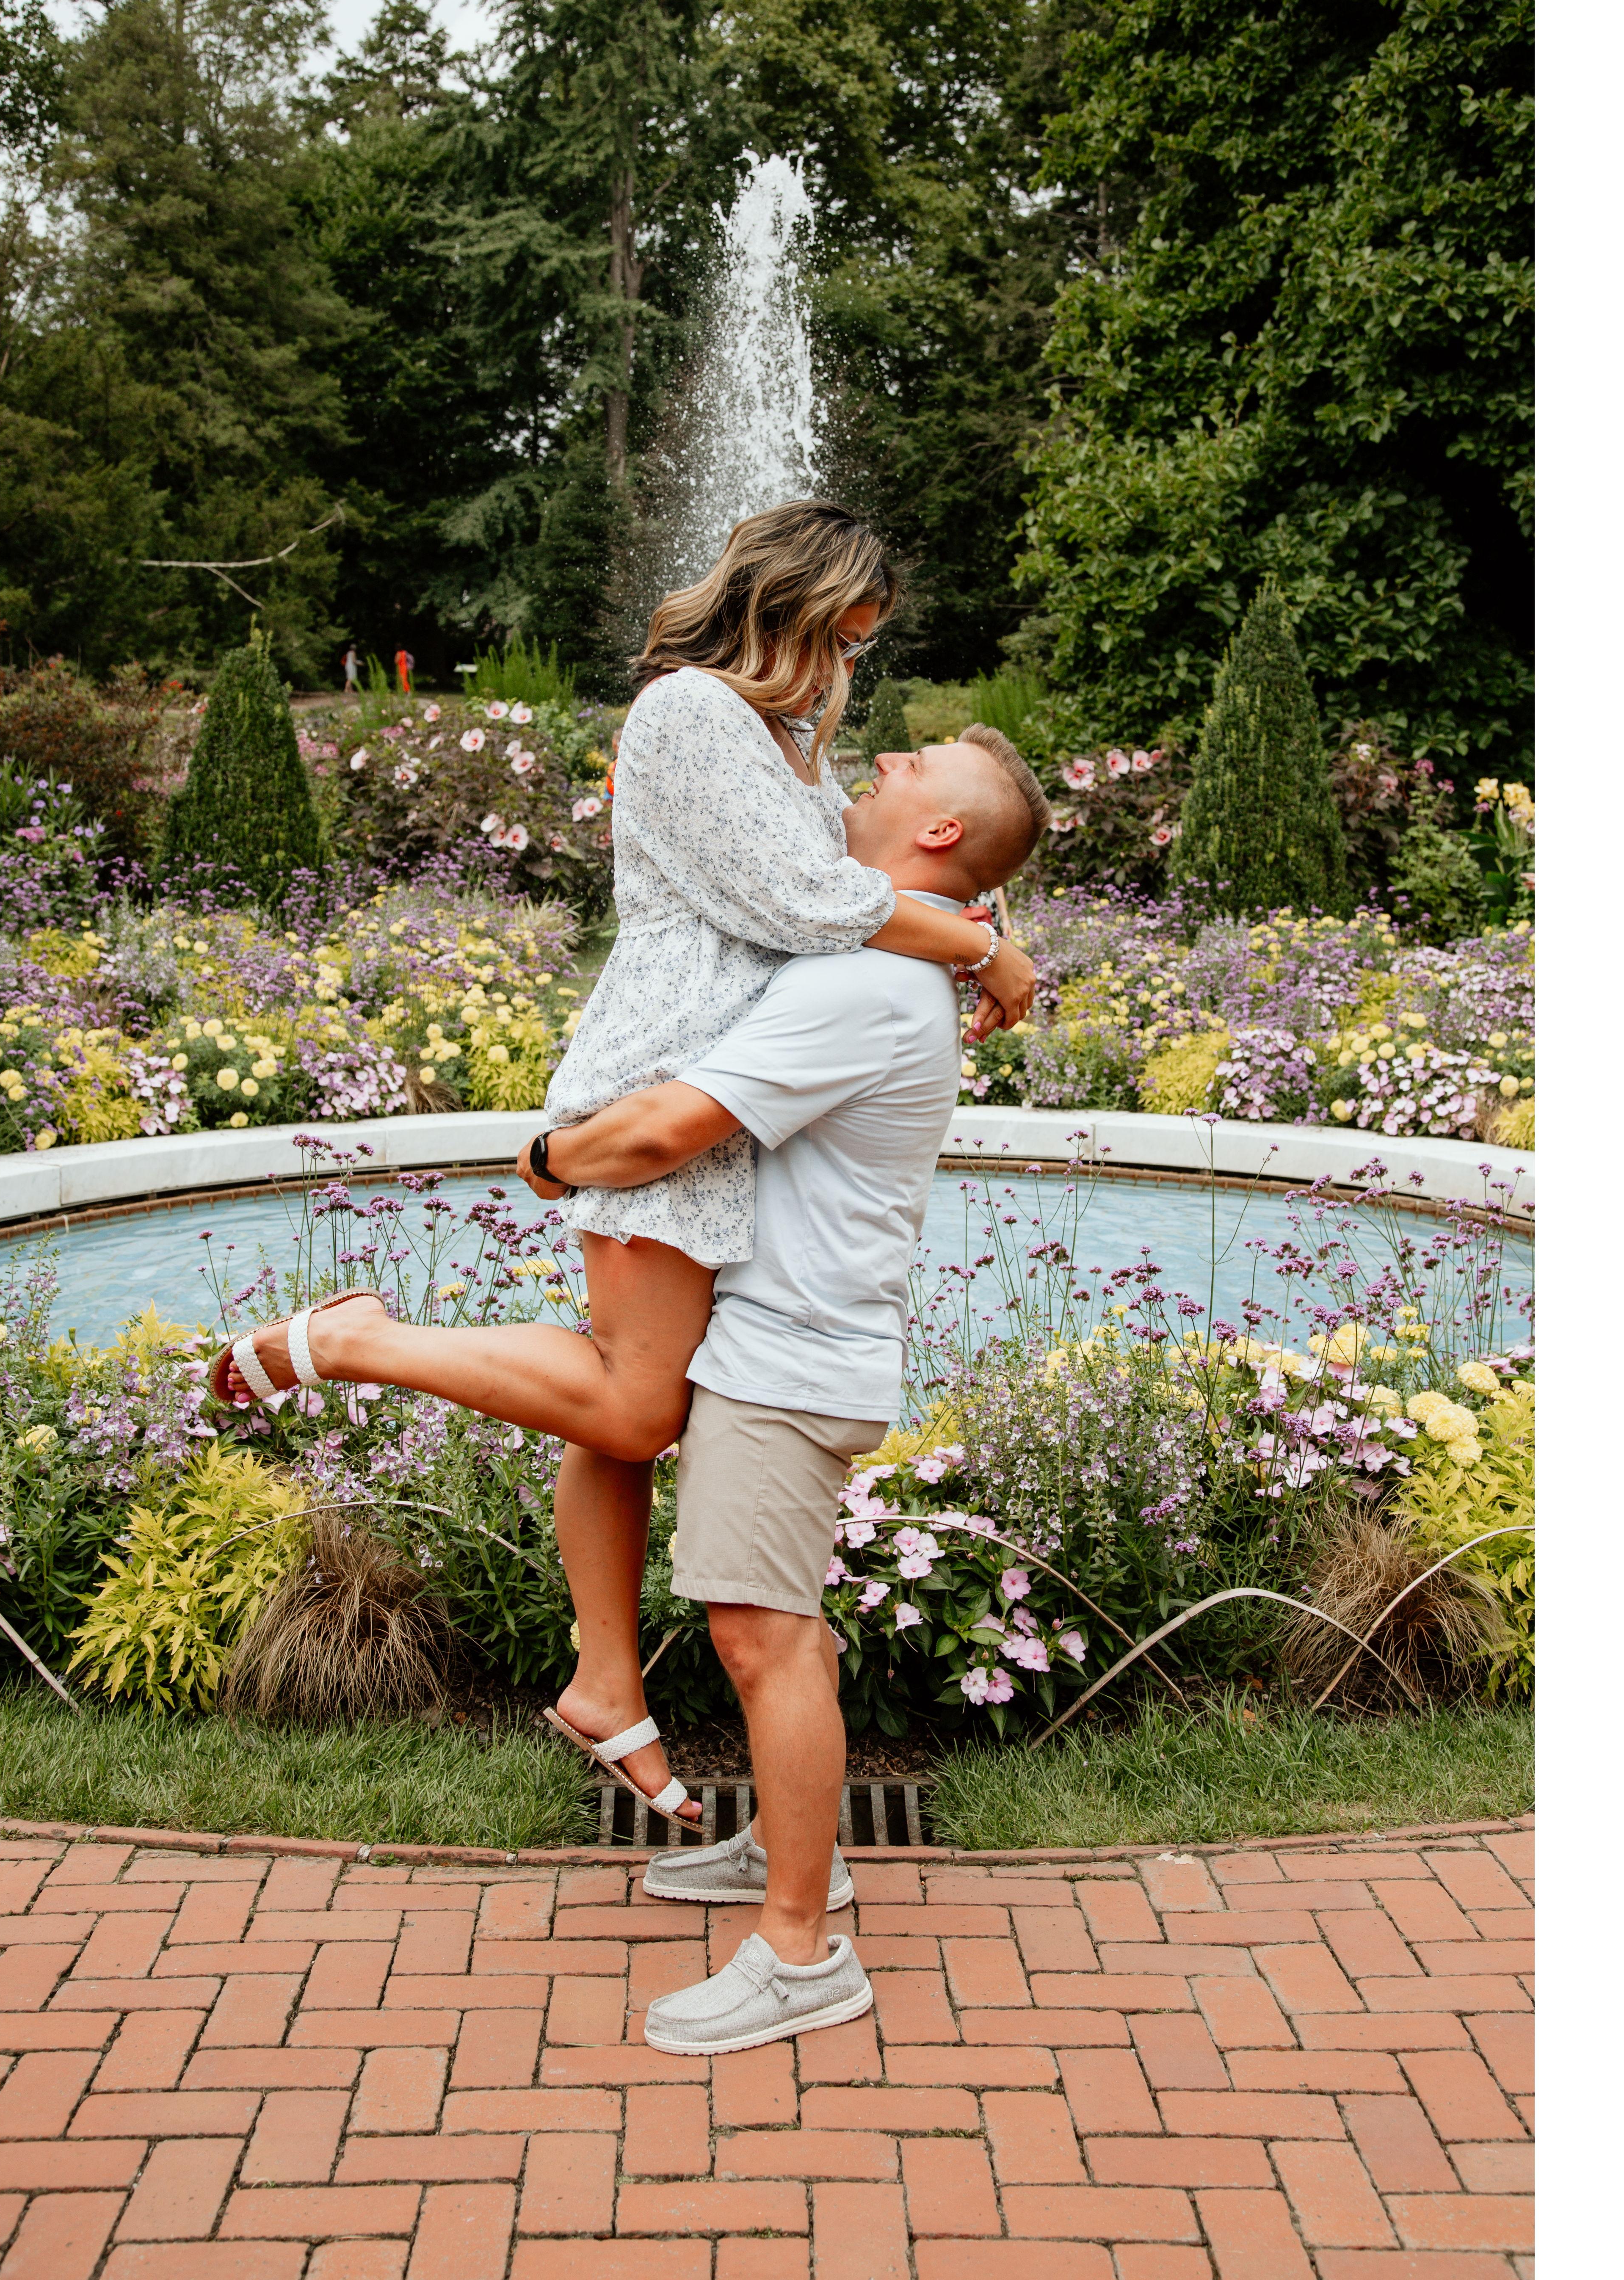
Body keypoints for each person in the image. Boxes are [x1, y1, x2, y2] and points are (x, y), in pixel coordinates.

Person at [210, 503, 1035, 1828]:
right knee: (637, 1404)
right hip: (666, 1081)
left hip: (721, 1091)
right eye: (848, 640)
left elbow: (893, 857)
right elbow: (807, 904)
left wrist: (977, 924)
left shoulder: (781, 742)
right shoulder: (691, 713)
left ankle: (605, 1681)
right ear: (794, 608)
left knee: (620, 1405)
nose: (852, 676)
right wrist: (978, 948)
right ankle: (359, 1341)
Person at [508, 722, 1053, 2050]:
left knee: (766, 1638)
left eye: (913, 766)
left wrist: (546, 1159)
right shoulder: (880, 955)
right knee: (771, 1621)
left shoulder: (859, 991)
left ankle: (804, 1952)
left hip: (789, 1355)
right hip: (793, 1341)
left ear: (935, 835)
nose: (885, 761)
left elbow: (668, 1130)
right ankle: (784, 1859)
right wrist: (991, 946)